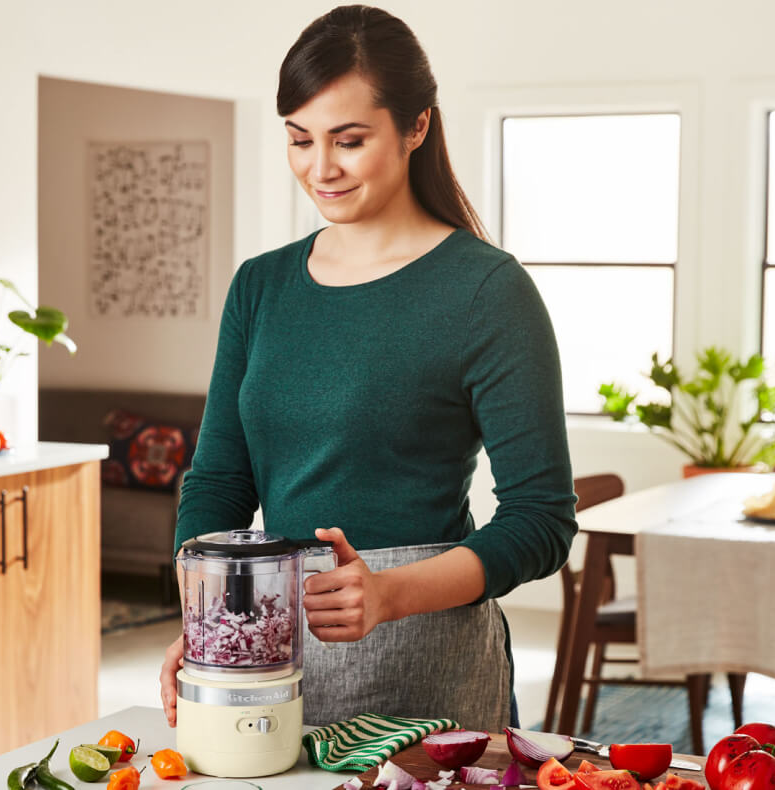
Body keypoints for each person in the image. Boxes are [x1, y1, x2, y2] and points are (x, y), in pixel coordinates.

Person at [159, 4, 577, 733]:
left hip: (429, 653)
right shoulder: (261, 286)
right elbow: (221, 480)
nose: (320, 168)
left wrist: (390, 594)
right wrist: (207, 618)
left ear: (416, 127)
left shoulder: (487, 291)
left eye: (349, 140)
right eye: (299, 139)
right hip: (268, 650)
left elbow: (542, 520)